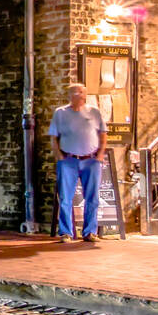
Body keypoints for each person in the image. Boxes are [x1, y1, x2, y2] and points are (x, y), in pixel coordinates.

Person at [48, 83, 107, 243]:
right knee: (66, 198)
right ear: (69, 95)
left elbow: (102, 134)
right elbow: (54, 137)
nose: (78, 95)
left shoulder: (94, 112)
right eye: (75, 92)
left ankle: (89, 232)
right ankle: (66, 232)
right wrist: (59, 156)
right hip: (68, 160)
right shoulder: (60, 113)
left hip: (91, 160)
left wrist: (100, 154)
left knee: (92, 197)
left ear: (85, 95)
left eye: (81, 92)